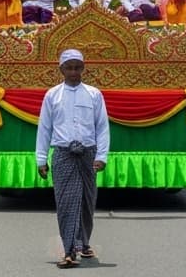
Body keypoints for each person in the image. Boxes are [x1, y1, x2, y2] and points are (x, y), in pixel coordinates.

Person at [35, 50, 108, 269]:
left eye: (78, 67)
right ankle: (69, 251)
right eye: (69, 67)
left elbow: (102, 127)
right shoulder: (52, 95)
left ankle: (84, 244)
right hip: (63, 154)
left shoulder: (94, 94)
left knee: (86, 202)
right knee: (66, 203)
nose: (74, 72)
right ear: (61, 70)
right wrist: (41, 159)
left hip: (87, 154)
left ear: (83, 69)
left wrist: (101, 156)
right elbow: (44, 128)